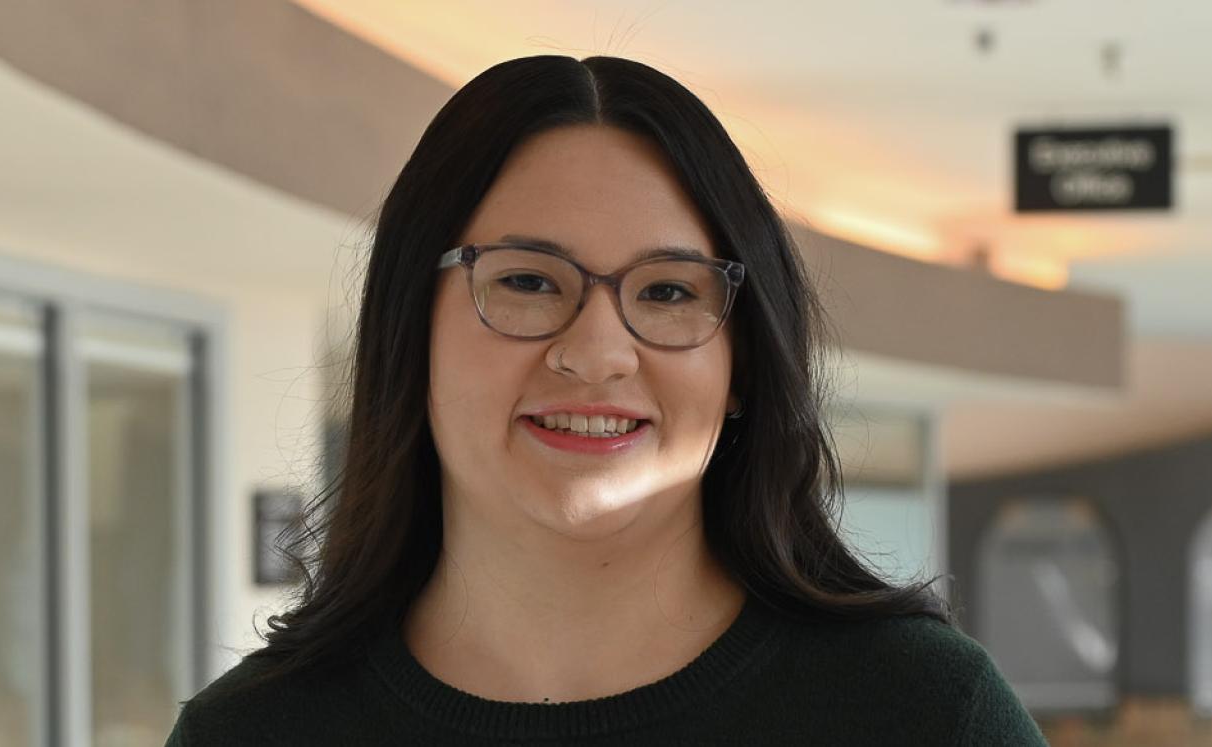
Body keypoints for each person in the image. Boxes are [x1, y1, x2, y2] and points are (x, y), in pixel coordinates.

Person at [164, 55, 1048, 746]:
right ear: (409, 331)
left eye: (667, 292)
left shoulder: (926, 716)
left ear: (742, 364)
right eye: (525, 280)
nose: (596, 354)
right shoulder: (249, 736)